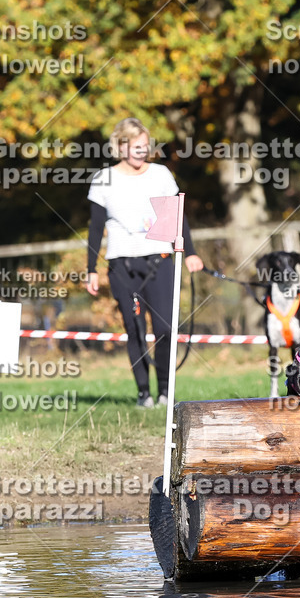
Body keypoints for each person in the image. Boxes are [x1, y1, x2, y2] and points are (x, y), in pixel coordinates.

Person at [85, 118, 204, 408]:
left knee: (164, 328)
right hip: (121, 264)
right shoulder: (104, 180)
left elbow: (179, 216)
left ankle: (165, 390)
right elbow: (95, 227)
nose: (142, 151)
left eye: (145, 146)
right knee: (135, 329)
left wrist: (190, 251)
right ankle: (144, 393)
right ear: (121, 146)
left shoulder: (161, 175)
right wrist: (91, 269)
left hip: (159, 260)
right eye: (136, 147)